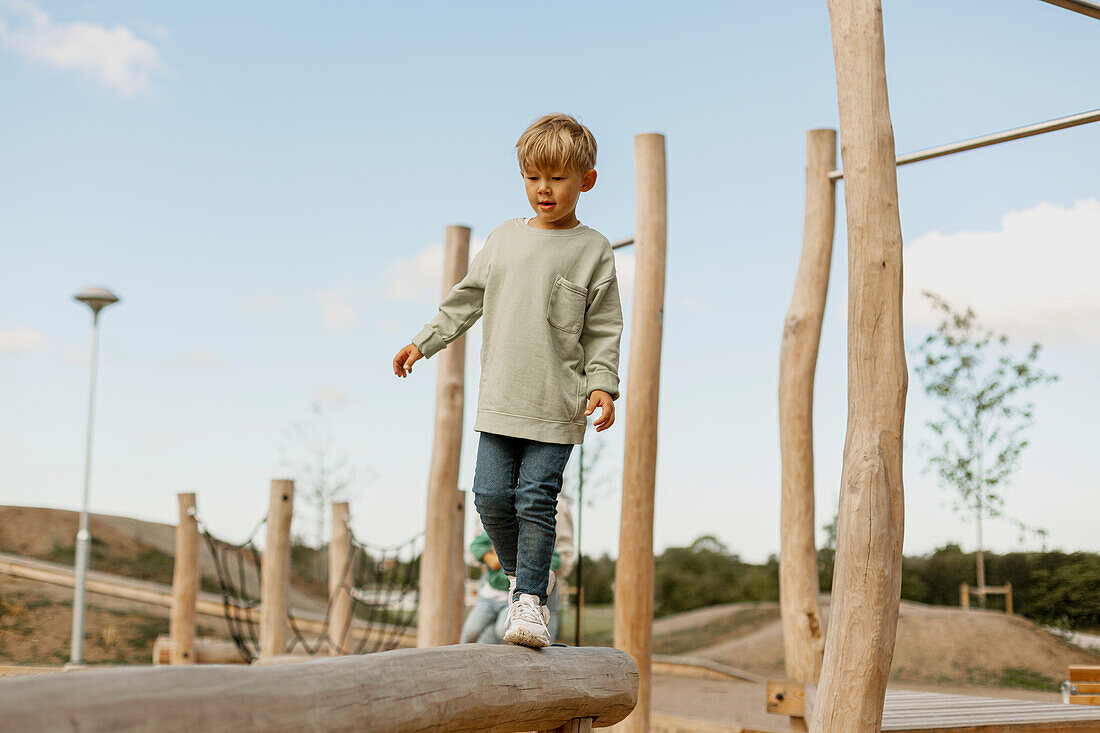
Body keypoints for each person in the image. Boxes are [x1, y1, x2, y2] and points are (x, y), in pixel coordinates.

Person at [392, 113, 622, 648]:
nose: (545, 189)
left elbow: (604, 328)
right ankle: (523, 577)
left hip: (557, 404)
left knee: (536, 499)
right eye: (534, 177)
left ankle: (531, 602)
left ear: (586, 179)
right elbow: (465, 299)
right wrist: (423, 343)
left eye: (559, 177)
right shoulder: (501, 240)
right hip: (500, 401)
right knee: (492, 497)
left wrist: (603, 385)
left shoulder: (593, 250)